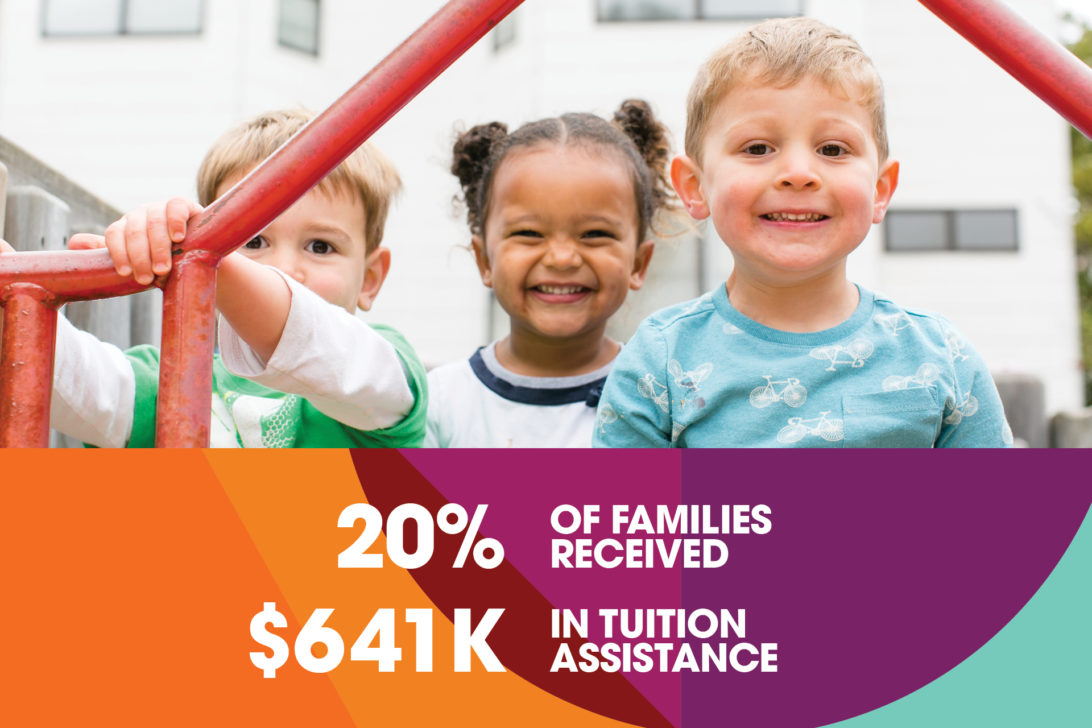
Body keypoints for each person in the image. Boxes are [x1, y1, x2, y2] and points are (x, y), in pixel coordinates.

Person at [594, 18, 1012, 448]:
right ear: (695, 187)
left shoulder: (942, 358)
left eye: (833, 149)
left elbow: (1001, 512)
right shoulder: (659, 362)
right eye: (757, 148)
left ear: (880, 190)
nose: (798, 174)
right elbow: (626, 513)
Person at [41, 108, 427, 447]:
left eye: (321, 247)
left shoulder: (385, 374)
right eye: (254, 241)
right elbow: (73, 381)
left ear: (371, 277)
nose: (283, 270)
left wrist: (197, 256)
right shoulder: (174, 379)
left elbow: (315, 338)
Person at [425, 100, 679, 447]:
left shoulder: (667, 401)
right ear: (485, 260)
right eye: (529, 233)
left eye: (594, 234)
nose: (562, 258)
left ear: (638, 264)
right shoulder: (439, 404)